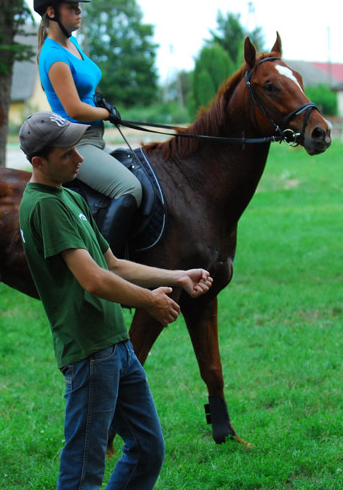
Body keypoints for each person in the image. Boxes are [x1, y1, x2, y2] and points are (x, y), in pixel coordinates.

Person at [18, 111, 214, 490]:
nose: (79, 159)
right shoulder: (43, 205)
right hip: (90, 353)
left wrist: (176, 276)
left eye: (77, 149)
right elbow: (92, 280)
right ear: (38, 162)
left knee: (146, 448)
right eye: (67, 155)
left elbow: (113, 264)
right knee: (83, 469)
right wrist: (149, 302)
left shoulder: (68, 195)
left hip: (115, 346)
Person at [33, 0, 141, 255]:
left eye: (79, 7)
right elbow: (74, 109)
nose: (79, 12)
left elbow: (85, 90)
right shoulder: (55, 56)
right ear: (51, 12)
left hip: (94, 138)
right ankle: (108, 267)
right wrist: (106, 112)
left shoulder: (72, 45)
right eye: (72, 7)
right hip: (76, 141)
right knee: (130, 188)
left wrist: (100, 102)